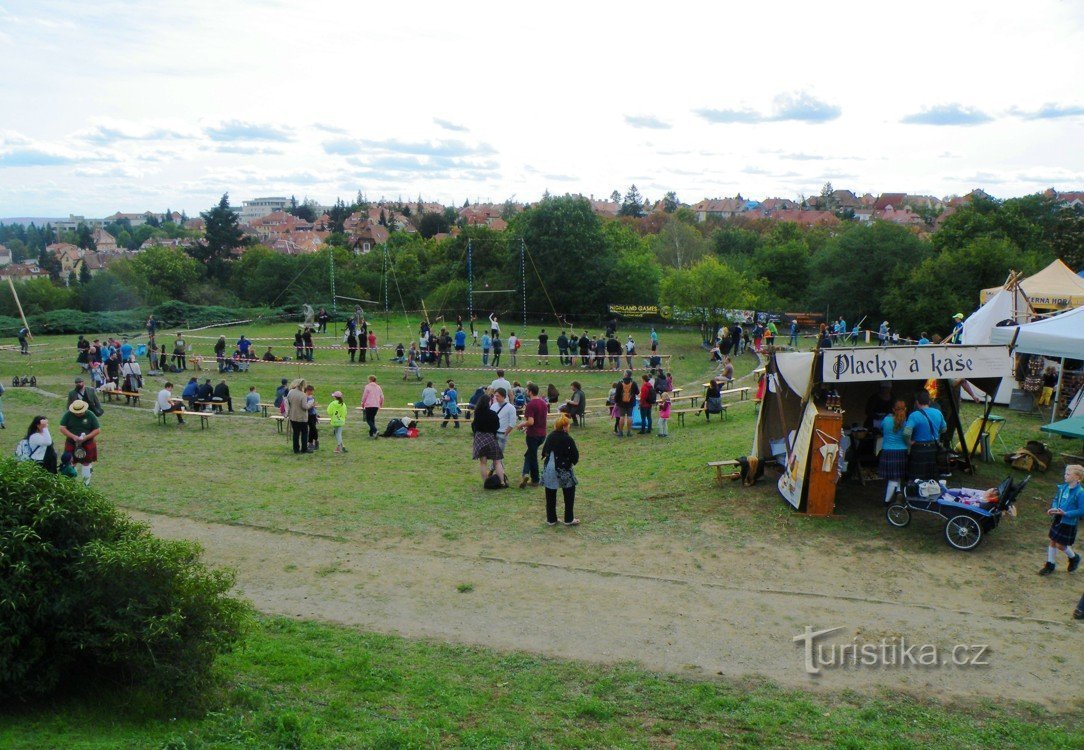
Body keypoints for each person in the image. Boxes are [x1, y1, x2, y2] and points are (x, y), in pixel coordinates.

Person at [1039, 464, 1084, 575]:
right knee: (1053, 540)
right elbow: (1056, 499)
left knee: (1061, 545)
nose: (1065, 476)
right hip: (1058, 518)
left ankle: (1074, 557)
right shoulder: (1063, 488)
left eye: (1068, 474)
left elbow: (1082, 510)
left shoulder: (1080, 493)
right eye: (1065, 473)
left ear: (1077, 478)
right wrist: (1053, 508)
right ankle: (1050, 565)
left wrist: (1066, 513)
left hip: (1068, 522)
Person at [541, 414, 580, 526]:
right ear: (564, 427)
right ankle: (568, 519)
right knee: (569, 493)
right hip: (563, 469)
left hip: (549, 468)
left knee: (550, 494)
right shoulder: (567, 438)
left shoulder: (550, 436)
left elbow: (544, 452)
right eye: (568, 425)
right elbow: (575, 456)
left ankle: (551, 519)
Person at [905, 390, 946, 480]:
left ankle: (917, 491)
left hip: (918, 448)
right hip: (932, 447)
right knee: (931, 475)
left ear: (917, 402)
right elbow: (944, 428)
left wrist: (909, 442)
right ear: (929, 402)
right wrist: (936, 434)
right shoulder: (938, 413)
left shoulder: (914, 415)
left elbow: (906, 432)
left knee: (917, 475)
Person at [59, 399, 100, 486]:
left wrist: (87, 437)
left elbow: (97, 430)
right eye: (76, 412)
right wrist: (73, 436)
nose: (78, 414)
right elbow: (62, 428)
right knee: (70, 462)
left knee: (86, 462)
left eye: (80, 412)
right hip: (71, 442)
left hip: (87, 442)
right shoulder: (68, 414)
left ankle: (86, 484)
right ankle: (69, 484)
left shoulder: (90, 415)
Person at [517, 383, 548, 487]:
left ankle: (535, 480)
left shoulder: (531, 405)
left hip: (533, 435)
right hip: (542, 434)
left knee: (533, 456)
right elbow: (540, 419)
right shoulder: (543, 403)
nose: (526, 392)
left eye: (527, 390)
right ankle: (525, 473)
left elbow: (531, 422)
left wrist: (522, 424)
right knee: (529, 454)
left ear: (530, 392)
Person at [878, 400, 909, 503]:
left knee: (893, 479)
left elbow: (881, 429)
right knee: (898, 476)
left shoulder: (886, 420)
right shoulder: (905, 422)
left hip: (888, 451)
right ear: (905, 409)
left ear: (892, 409)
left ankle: (886, 502)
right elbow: (907, 435)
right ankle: (898, 493)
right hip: (902, 451)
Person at [471, 392, 505, 487]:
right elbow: (497, 426)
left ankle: (486, 482)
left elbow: (474, 426)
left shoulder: (477, 413)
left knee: (483, 462)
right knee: (497, 461)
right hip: (490, 437)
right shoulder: (492, 414)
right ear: (488, 402)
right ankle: (502, 482)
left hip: (479, 438)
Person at [491, 388, 518, 474]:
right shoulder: (493, 406)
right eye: (495, 396)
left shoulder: (511, 408)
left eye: (497, 396)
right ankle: (493, 470)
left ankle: (499, 474)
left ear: (503, 396)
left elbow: (512, 422)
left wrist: (506, 432)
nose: (496, 398)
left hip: (502, 434)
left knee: (498, 455)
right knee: (496, 455)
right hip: (493, 433)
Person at [285, 378, 311, 454]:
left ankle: (296, 449)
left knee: (296, 433)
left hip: (293, 416)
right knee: (304, 433)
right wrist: (310, 404)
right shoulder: (303, 395)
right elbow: (305, 406)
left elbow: (288, 402)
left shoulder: (291, 392)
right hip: (302, 417)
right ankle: (304, 449)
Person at [614, 369, 639, 437]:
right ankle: (629, 432)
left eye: (624, 372)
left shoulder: (620, 382)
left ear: (626, 374)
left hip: (621, 403)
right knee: (629, 416)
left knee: (622, 417)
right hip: (630, 403)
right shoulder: (633, 383)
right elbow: (637, 392)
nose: (623, 373)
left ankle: (621, 432)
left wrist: (616, 401)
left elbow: (617, 394)